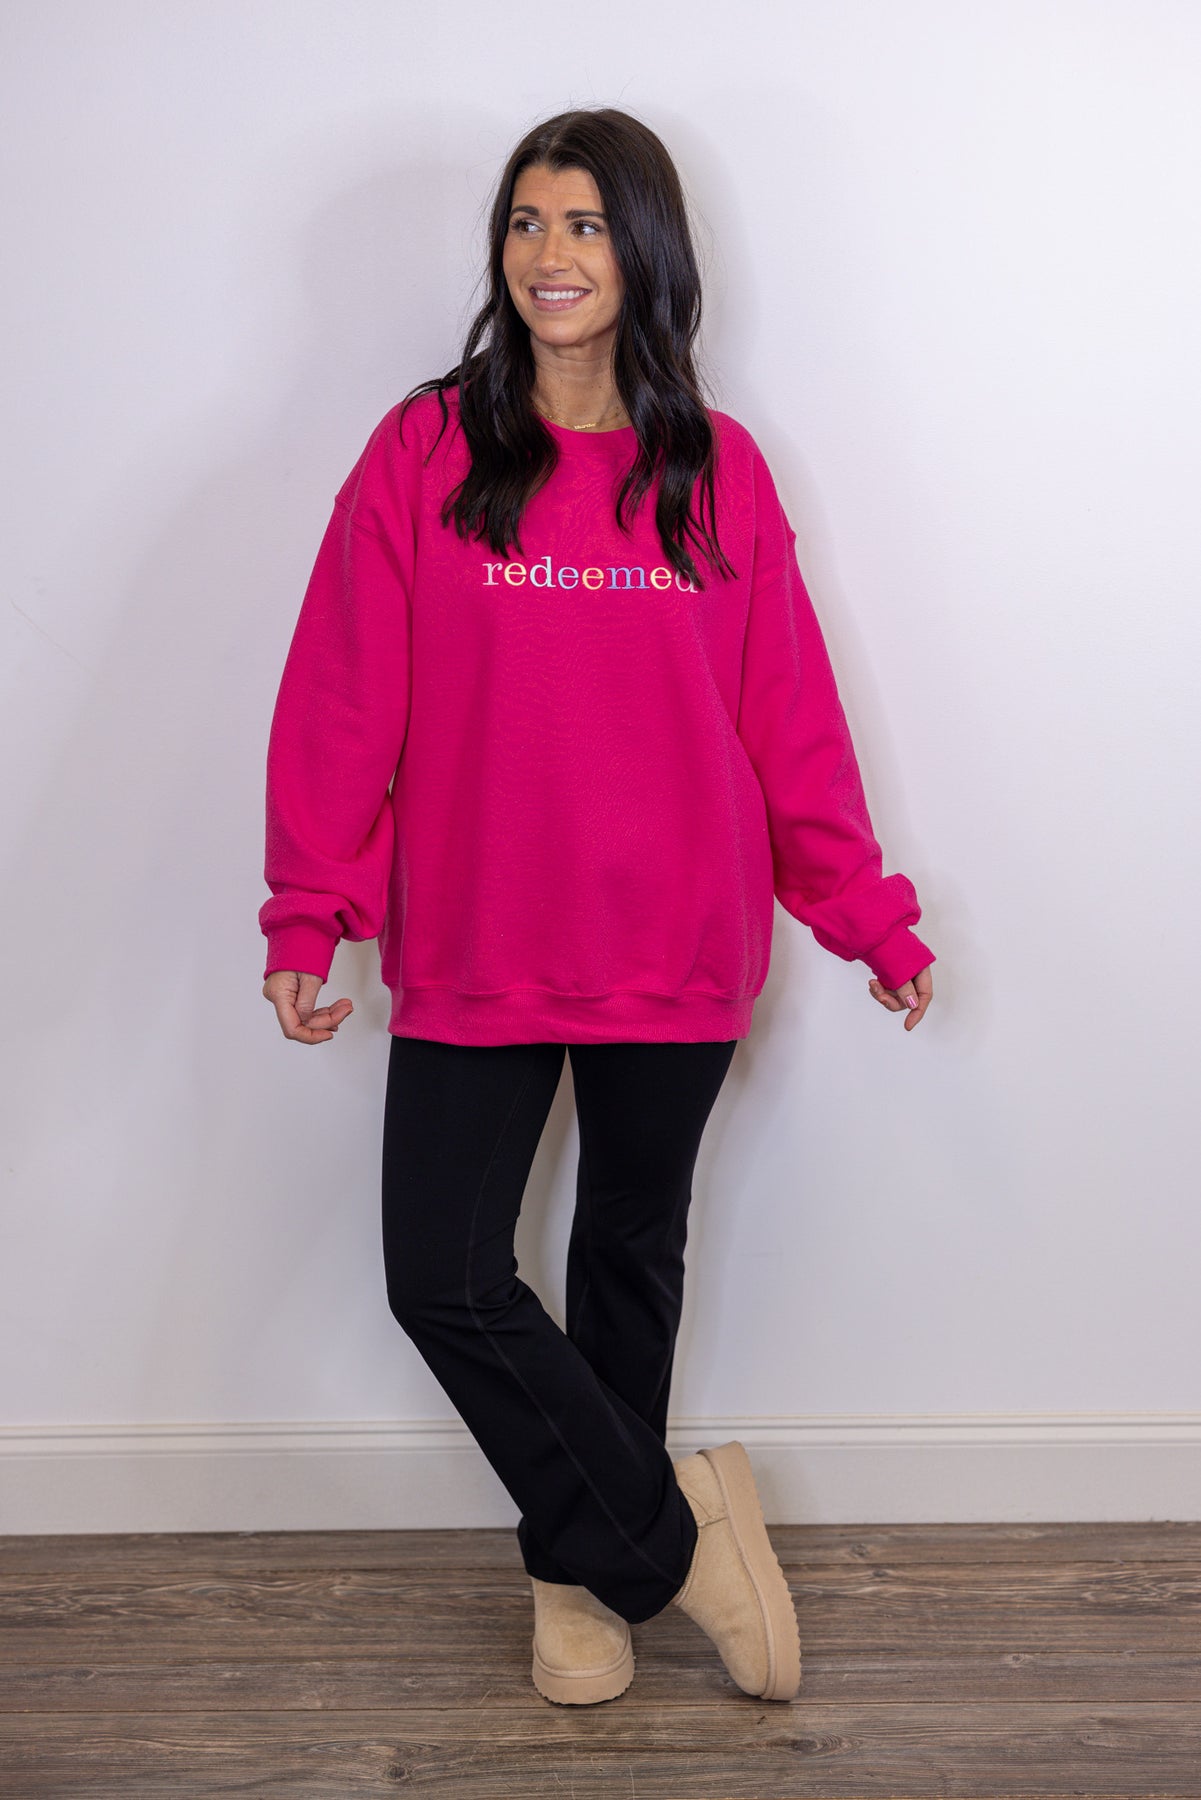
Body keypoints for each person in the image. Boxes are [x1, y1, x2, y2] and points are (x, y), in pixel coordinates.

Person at [259, 106, 936, 1708]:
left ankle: (579, 1579)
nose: (548, 255)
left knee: (629, 1259)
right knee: (443, 1275)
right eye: (524, 222)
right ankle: (676, 1545)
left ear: (642, 251)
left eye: (580, 224)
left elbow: (787, 715)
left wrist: (861, 910)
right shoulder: (425, 451)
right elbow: (343, 696)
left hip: (677, 930)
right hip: (481, 930)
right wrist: (309, 906)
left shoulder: (716, 469)